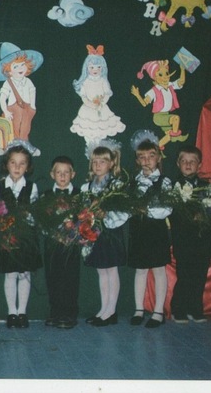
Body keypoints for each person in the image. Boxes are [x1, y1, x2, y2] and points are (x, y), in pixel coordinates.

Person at [0, 141, 41, 328]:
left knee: (24, 274)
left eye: (22, 163)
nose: (17, 167)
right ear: (6, 164)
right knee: (10, 274)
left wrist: (26, 216)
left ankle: (22, 312)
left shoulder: (31, 187)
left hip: (26, 237)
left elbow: (35, 214)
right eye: (13, 162)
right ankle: (12, 312)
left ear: (27, 167)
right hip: (7, 236)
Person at [127, 130, 172, 328]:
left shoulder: (165, 182)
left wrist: (147, 209)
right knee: (140, 270)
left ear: (159, 158)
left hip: (156, 231)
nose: (146, 160)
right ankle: (139, 309)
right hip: (138, 231)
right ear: (137, 161)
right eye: (142, 157)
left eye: (151, 156)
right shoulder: (133, 182)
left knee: (159, 270)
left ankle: (158, 311)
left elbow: (167, 209)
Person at [81, 140, 128, 327]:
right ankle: (103, 309)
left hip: (110, 232)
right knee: (101, 271)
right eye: (95, 162)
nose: (98, 165)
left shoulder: (116, 185)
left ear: (112, 163)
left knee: (111, 270)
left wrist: (106, 214)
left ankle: (111, 310)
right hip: (95, 234)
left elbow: (123, 211)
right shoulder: (88, 187)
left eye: (102, 161)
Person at [170, 145, 211, 323]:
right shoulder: (173, 187)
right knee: (185, 275)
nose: (188, 165)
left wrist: (207, 215)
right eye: (184, 161)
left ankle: (195, 309)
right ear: (178, 164)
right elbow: (172, 213)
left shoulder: (208, 187)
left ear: (199, 165)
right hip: (184, 240)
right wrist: (189, 216)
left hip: (203, 240)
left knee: (200, 276)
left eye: (192, 161)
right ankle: (178, 309)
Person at [0, 42, 44, 156]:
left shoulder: (28, 81)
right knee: (13, 127)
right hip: (13, 108)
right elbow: (2, 98)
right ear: (9, 70)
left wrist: (33, 106)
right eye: (15, 66)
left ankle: (25, 142)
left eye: (22, 64)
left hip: (27, 107)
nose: (20, 68)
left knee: (25, 126)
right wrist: (6, 111)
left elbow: (32, 91)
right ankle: (8, 145)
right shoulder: (8, 82)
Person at [42, 156, 81, 329]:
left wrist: (74, 233)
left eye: (67, 172)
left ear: (73, 174)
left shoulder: (79, 195)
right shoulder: (46, 196)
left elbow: (85, 219)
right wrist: (54, 234)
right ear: (52, 174)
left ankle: (69, 313)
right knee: (53, 277)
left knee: (70, 278)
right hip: (52, 243)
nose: (63, 176)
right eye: (59, 172)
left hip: (71, 244)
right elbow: (42, 221)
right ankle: (55, 311)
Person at [70, 45, 125, 153]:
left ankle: (99, 151)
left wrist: (102, 103)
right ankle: (90, 151)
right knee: (88, 132)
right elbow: (84, 96)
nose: (95, 70)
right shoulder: (86, 82)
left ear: (102, 68)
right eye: (92, 67)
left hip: (101, 109)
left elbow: (107, 94)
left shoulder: (103, 81)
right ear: (87, 68)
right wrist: (90, 104)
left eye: (98, 67)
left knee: (100, 131)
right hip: (88, 110)